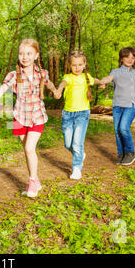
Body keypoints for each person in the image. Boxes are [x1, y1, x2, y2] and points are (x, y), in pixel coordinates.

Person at [0, 38, 58, 196]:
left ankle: (32, 182)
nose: (24, 57)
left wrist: (55, 91)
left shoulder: (42, 73)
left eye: (28, 53)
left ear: (36, 55)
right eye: (21, 53)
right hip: (19, 117)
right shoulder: (13, 75)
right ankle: (36, 180)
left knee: (29, 148)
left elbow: (50, 83)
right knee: (27, 150)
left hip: (37, 116)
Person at [54, 50, 105, 180]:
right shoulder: (68, 77)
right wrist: (59, 90)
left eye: (80, 64)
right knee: (67, 144)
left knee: (77, 143)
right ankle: (80, 154)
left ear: (84, 64)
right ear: (70, 66)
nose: (77, 68)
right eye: (74, 65)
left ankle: (76, 168)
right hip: (68, 114)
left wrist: (102, 83)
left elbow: (96, 80)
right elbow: (63, 84)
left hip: (82, 113)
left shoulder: (86, 78)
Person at [99, 47, 135, 165]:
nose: (130, 60)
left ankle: (130, 152)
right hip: (117, 105)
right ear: (121, 58)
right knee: (117, 130)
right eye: (127, 57)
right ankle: (122, 154)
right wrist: (102, 82)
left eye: (133, 58)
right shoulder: (116, 71)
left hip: (131, 105)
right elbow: (109, 78)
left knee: (123, 128)